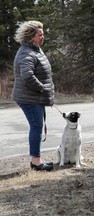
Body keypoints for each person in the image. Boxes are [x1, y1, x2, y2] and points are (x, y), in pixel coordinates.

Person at [12, 21, 54, 171]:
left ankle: (37, 160)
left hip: (35, 96)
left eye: (43, 34)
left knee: (37, 126)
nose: (43, 37)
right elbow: (27, 76)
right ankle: (36, 162)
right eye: (40, 35)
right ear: (31, 37)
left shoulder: (35, 49)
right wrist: (42, 88)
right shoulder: (26, 52)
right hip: (28, 97)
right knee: (36, 126)